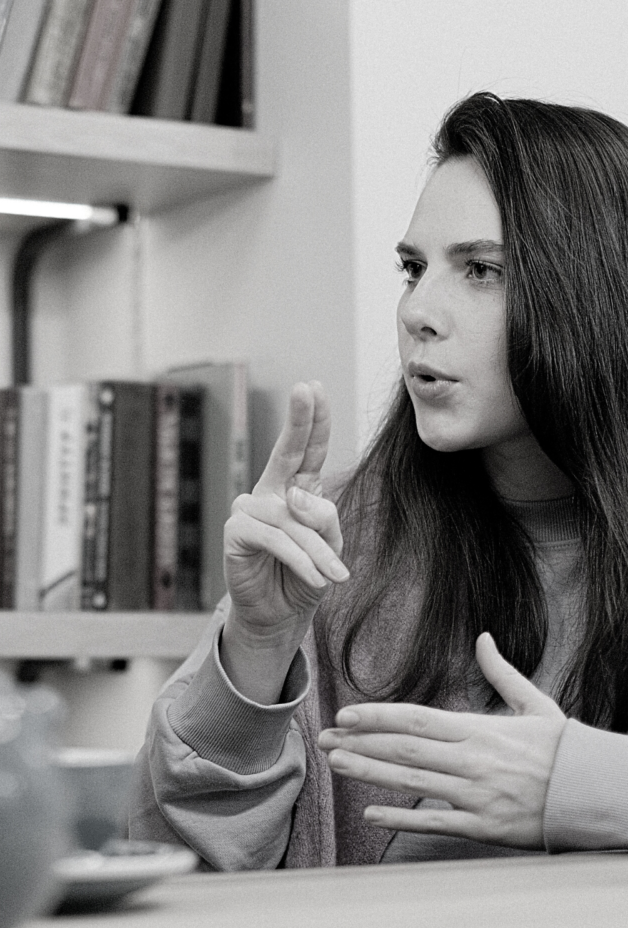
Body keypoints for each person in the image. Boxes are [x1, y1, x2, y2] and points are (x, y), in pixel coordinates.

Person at [130, 91, 628, 868]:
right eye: (413, 269)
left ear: (593, 292)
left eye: (482, 270)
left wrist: (587, 787)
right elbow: (174, 867)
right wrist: (257, 646)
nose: (418, 310)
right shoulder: (336, 540)